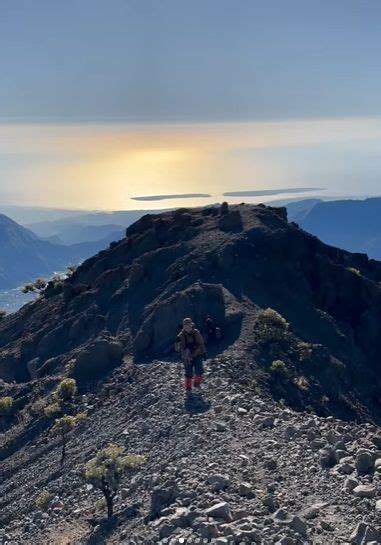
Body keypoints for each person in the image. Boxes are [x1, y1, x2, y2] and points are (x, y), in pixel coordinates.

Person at [178, 317, 206, 392]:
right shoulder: (181, 335)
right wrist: (185, 356)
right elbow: (181, 348)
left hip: (197, 354)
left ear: (191, 325)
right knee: (188, 372)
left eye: (189, 325)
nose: (187, 327)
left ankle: (196, 384)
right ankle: (188, 387)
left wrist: (204, 353)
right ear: (183, 326)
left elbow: (201, 343)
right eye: (186, 325)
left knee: (199, 370)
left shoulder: (196, 333)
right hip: (187, 357)